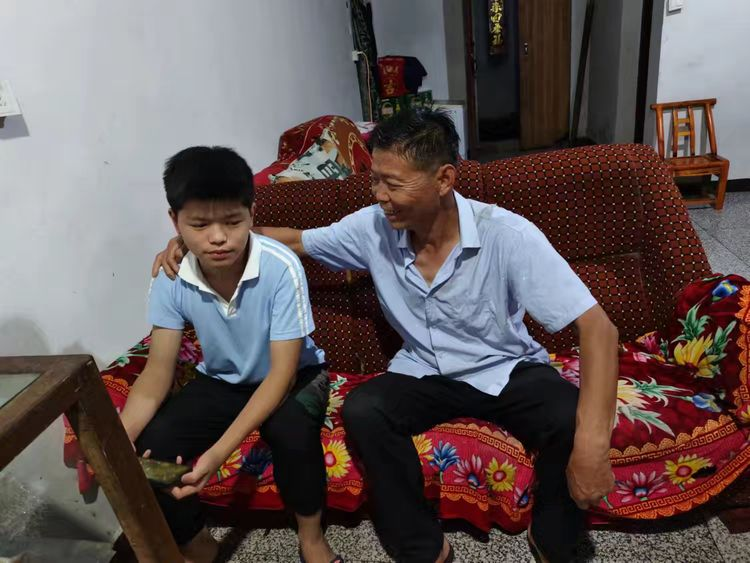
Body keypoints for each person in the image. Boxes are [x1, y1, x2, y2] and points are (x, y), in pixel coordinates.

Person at [154, 111, 618, 563]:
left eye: (392, 184)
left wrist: (594, 445)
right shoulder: (372, 226)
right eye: (375, 180)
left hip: (503, 368)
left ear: (444, 179)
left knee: (567, 414)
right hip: (425, 371)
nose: (379, 195)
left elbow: (598, 328)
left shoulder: (508, 235)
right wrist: (192, 243)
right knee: (365, 410)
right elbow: (295, 240)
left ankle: (552, 534)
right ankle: (423, 547)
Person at [123, 146, 341, 563]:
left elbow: (281, 375)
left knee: (292, 430)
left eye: (232, 221)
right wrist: (117, 441)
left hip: (294, 374)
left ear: (252, 214)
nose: (218, 237)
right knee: (154, 444)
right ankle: (196, 541)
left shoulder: (280, 267)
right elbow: (156, 375)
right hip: (223, 378)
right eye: (199, 225)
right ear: (175, 221)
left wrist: (218, 453)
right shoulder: (172, 277)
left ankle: (311, 536)